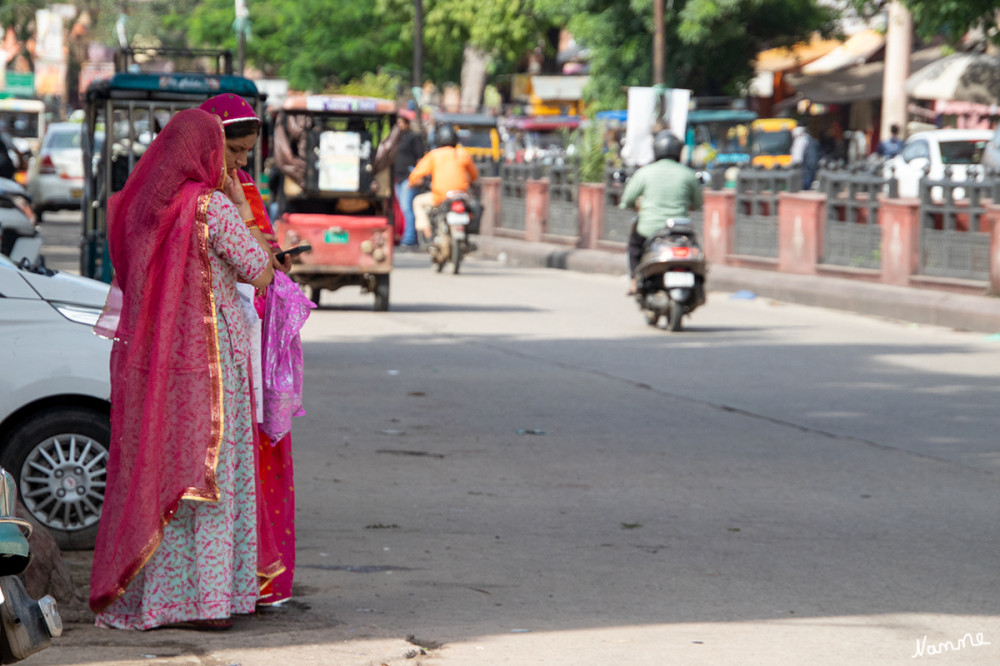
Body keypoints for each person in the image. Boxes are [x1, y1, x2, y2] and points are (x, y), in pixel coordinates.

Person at [89, 108, 277, 630]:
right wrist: (240, 203)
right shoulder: (211, 208)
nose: (229, 161)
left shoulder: (147, 206)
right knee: (211, 478)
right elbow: (259, 270)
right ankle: (211, 604)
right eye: (224, 151)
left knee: (165, 475)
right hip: (212, 363)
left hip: (159, 363)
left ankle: (161, 601)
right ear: (203, 152)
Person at [200, 93, 314, 608]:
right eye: (236, 151)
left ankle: (255, 580)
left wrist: (251, 220)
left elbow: (264, 262)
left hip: (250, 335)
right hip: (216, 341)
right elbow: (255, 264)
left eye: (249, 153)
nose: (243, 163)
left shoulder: (237, 186)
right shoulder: (200, 194)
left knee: (255, 456)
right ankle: (224, 584)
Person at [619, 130, 702, 295]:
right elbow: (698, 203)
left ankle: (635, 280)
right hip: (681, 230)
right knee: (697, 246)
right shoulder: (688, 174)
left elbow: (627, 200)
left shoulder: (644, 172)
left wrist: (630, 205)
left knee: (635, 245)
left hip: (649, 229)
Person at [408, 125, 478, 241]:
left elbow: (415, 175)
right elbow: (474, 175)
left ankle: (427, 233)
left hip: (440, 196)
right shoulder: (462, 153)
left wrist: (412, 182)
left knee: (417, 202)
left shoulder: (434, 155)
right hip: (461, 195)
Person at [393, 111, 424, 249]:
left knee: (407, 208)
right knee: (402, 208)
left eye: (401, 123)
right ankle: (404, 235)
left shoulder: (414, 137)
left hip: (408, 177)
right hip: (398, 178)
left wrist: (417, 176)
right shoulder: (396, 138)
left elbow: (420, 158)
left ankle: (410, 238)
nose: (399, 126)